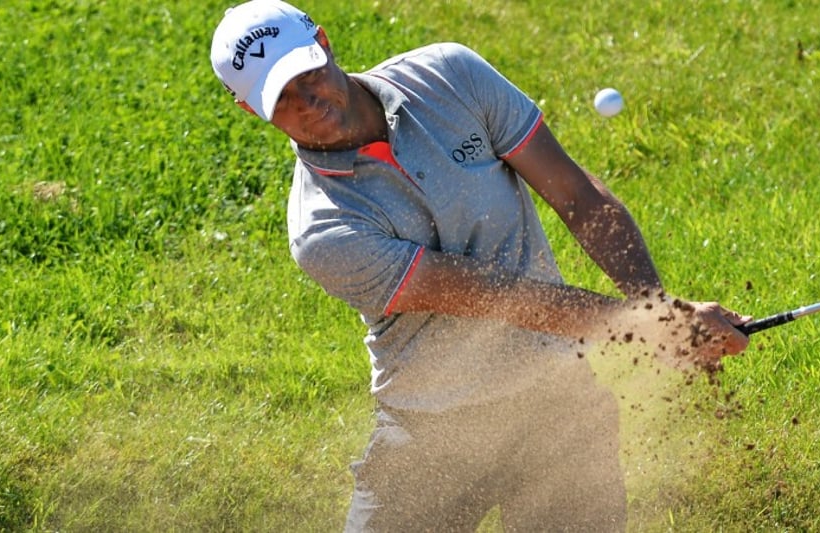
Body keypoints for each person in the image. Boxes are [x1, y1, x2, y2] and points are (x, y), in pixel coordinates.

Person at [210, 1, 751, 530]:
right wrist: (654, 328)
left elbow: (576, 194)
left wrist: (656, 308)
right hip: (434, 434)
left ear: (324, 44)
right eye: (280, 99)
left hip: (560, 406)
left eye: (307, 76)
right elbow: (501, 300)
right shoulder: (323, 231)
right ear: (249, 110)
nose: (307, 102)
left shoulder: (450, 77)